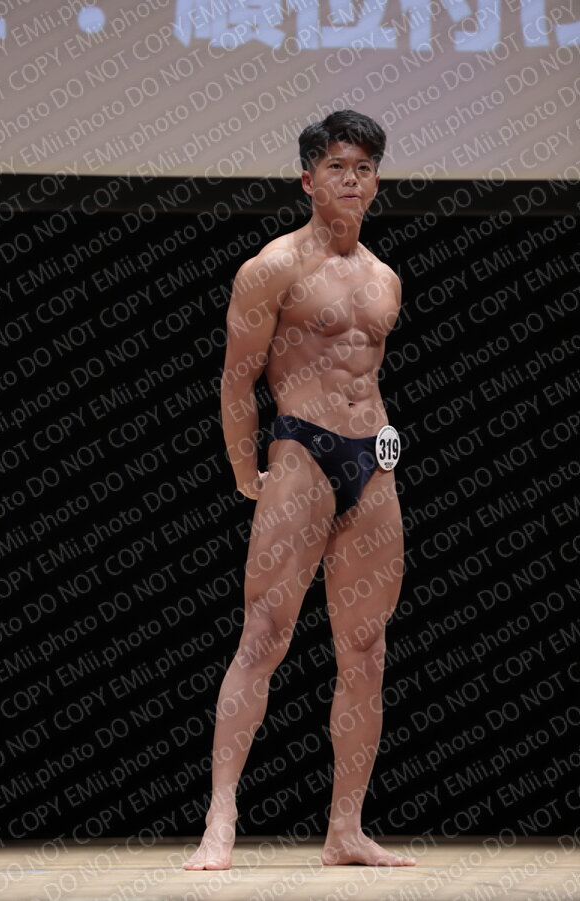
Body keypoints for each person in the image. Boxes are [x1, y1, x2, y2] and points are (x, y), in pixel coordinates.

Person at [183, 110, 416, 869]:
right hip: (302, 450)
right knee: (263, 636)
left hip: (373, 459)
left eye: (364, 168)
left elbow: (365, 375)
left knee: (367, 648)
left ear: (375, 183)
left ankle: (345, 829)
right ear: (307, 179)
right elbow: (237, 380)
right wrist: (243, 471)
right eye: (338, 166)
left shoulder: (385, 279)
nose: (352, 179)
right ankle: (221, 818)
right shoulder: (272, 267)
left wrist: (378, 456)